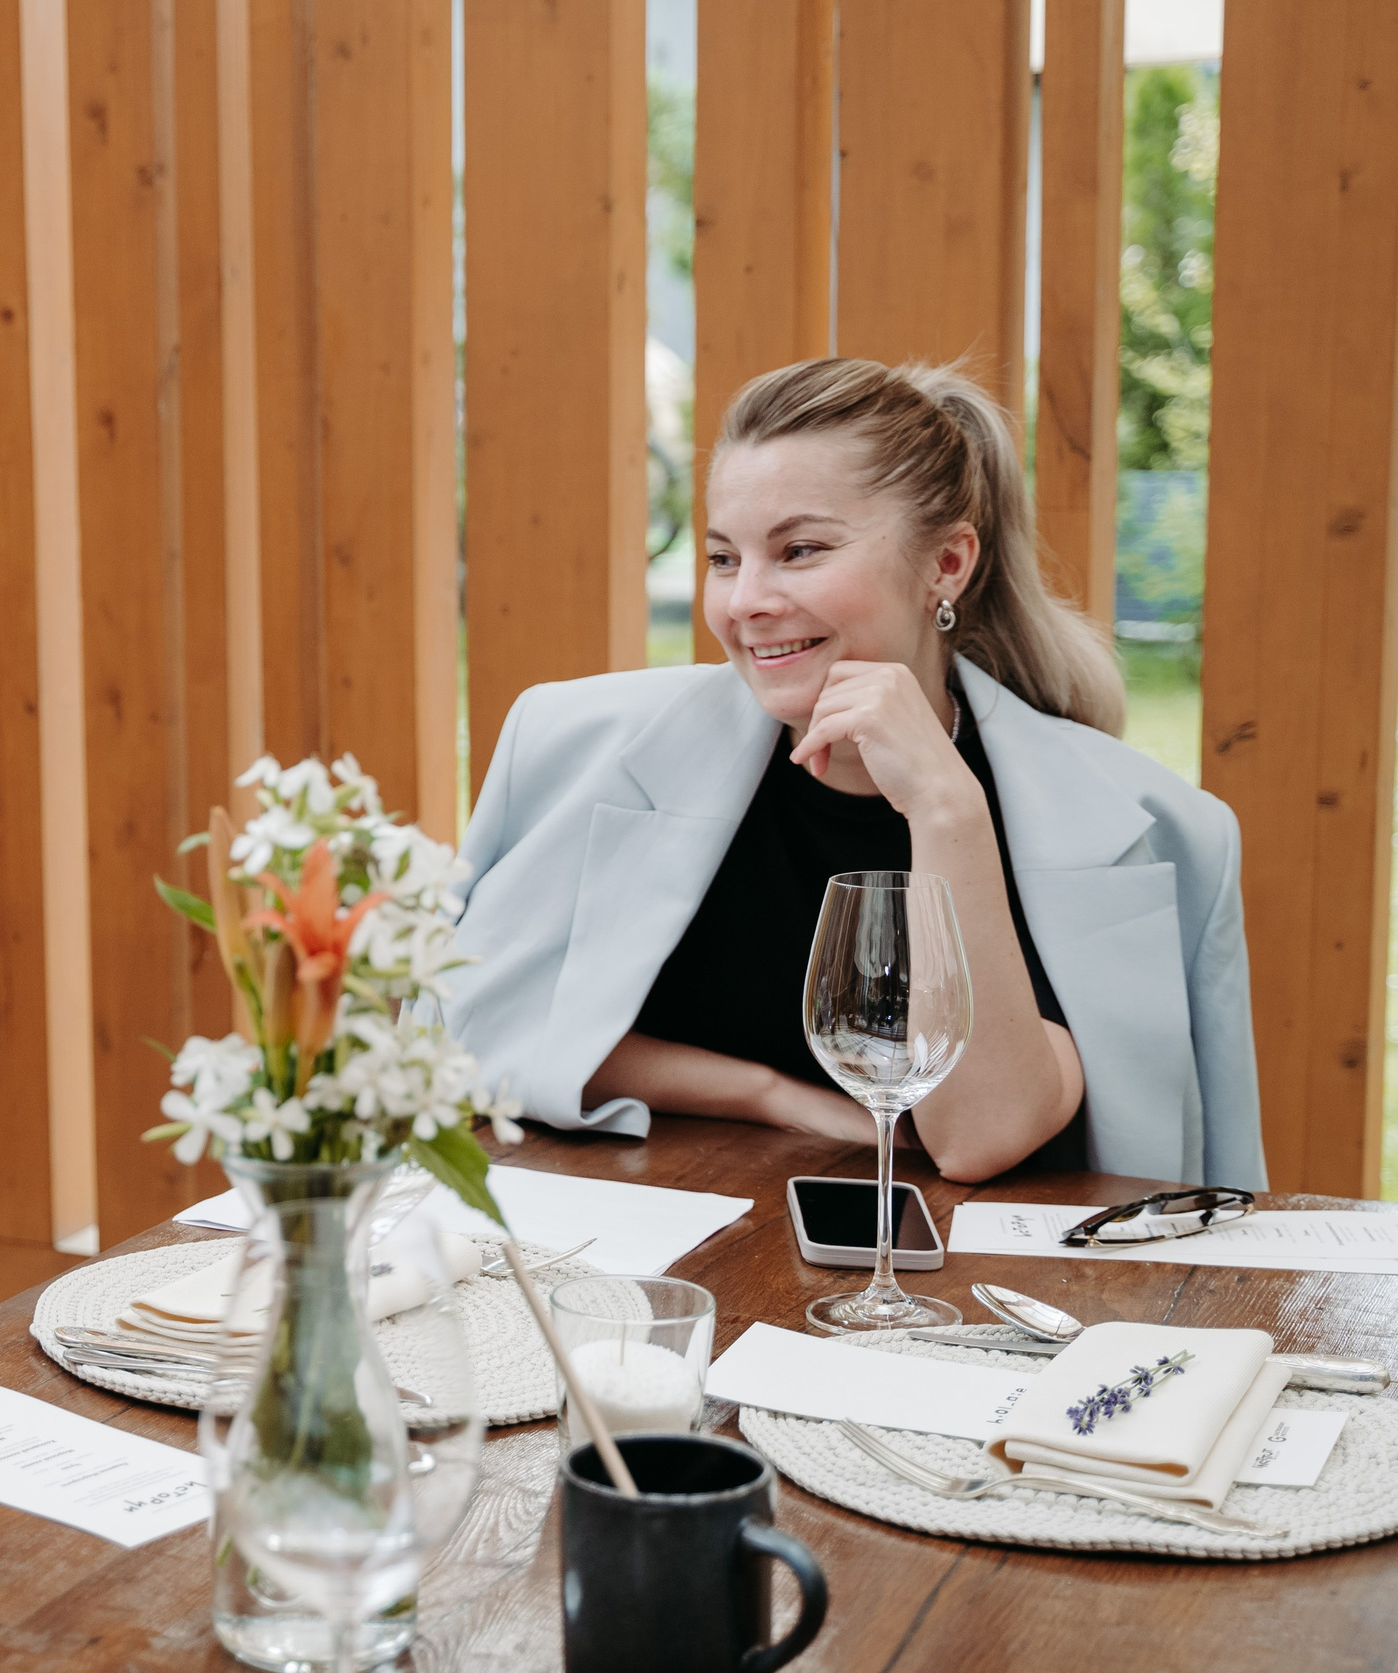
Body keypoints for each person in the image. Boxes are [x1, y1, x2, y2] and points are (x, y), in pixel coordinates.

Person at [441, 357, 1260, 1189]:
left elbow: (982, 1133)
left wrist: (945, 809)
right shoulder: (569, 742)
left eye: (799, 550)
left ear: (947, 564)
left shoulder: (1149, 829)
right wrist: (773, 1096)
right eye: (724, 558)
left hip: (980, 1294)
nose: (745, 601)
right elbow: (466, 1030)